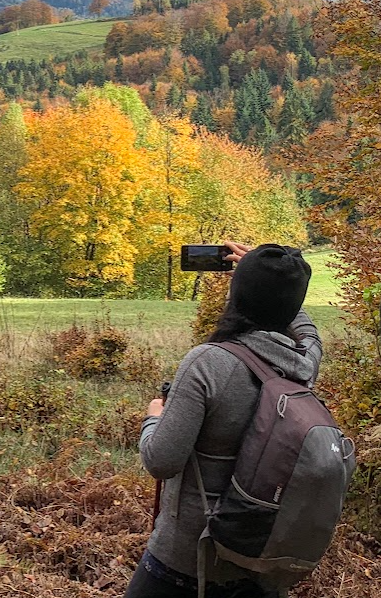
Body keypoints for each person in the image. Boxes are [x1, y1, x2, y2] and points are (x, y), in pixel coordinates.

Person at [130, 243, 323, 598]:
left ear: (236, 294)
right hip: (260, 555)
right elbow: (308, 331)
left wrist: (152, 419)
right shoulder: (304, 361)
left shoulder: (209, 362)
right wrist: (279, 283)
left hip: (188, 558)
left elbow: (161, 460)